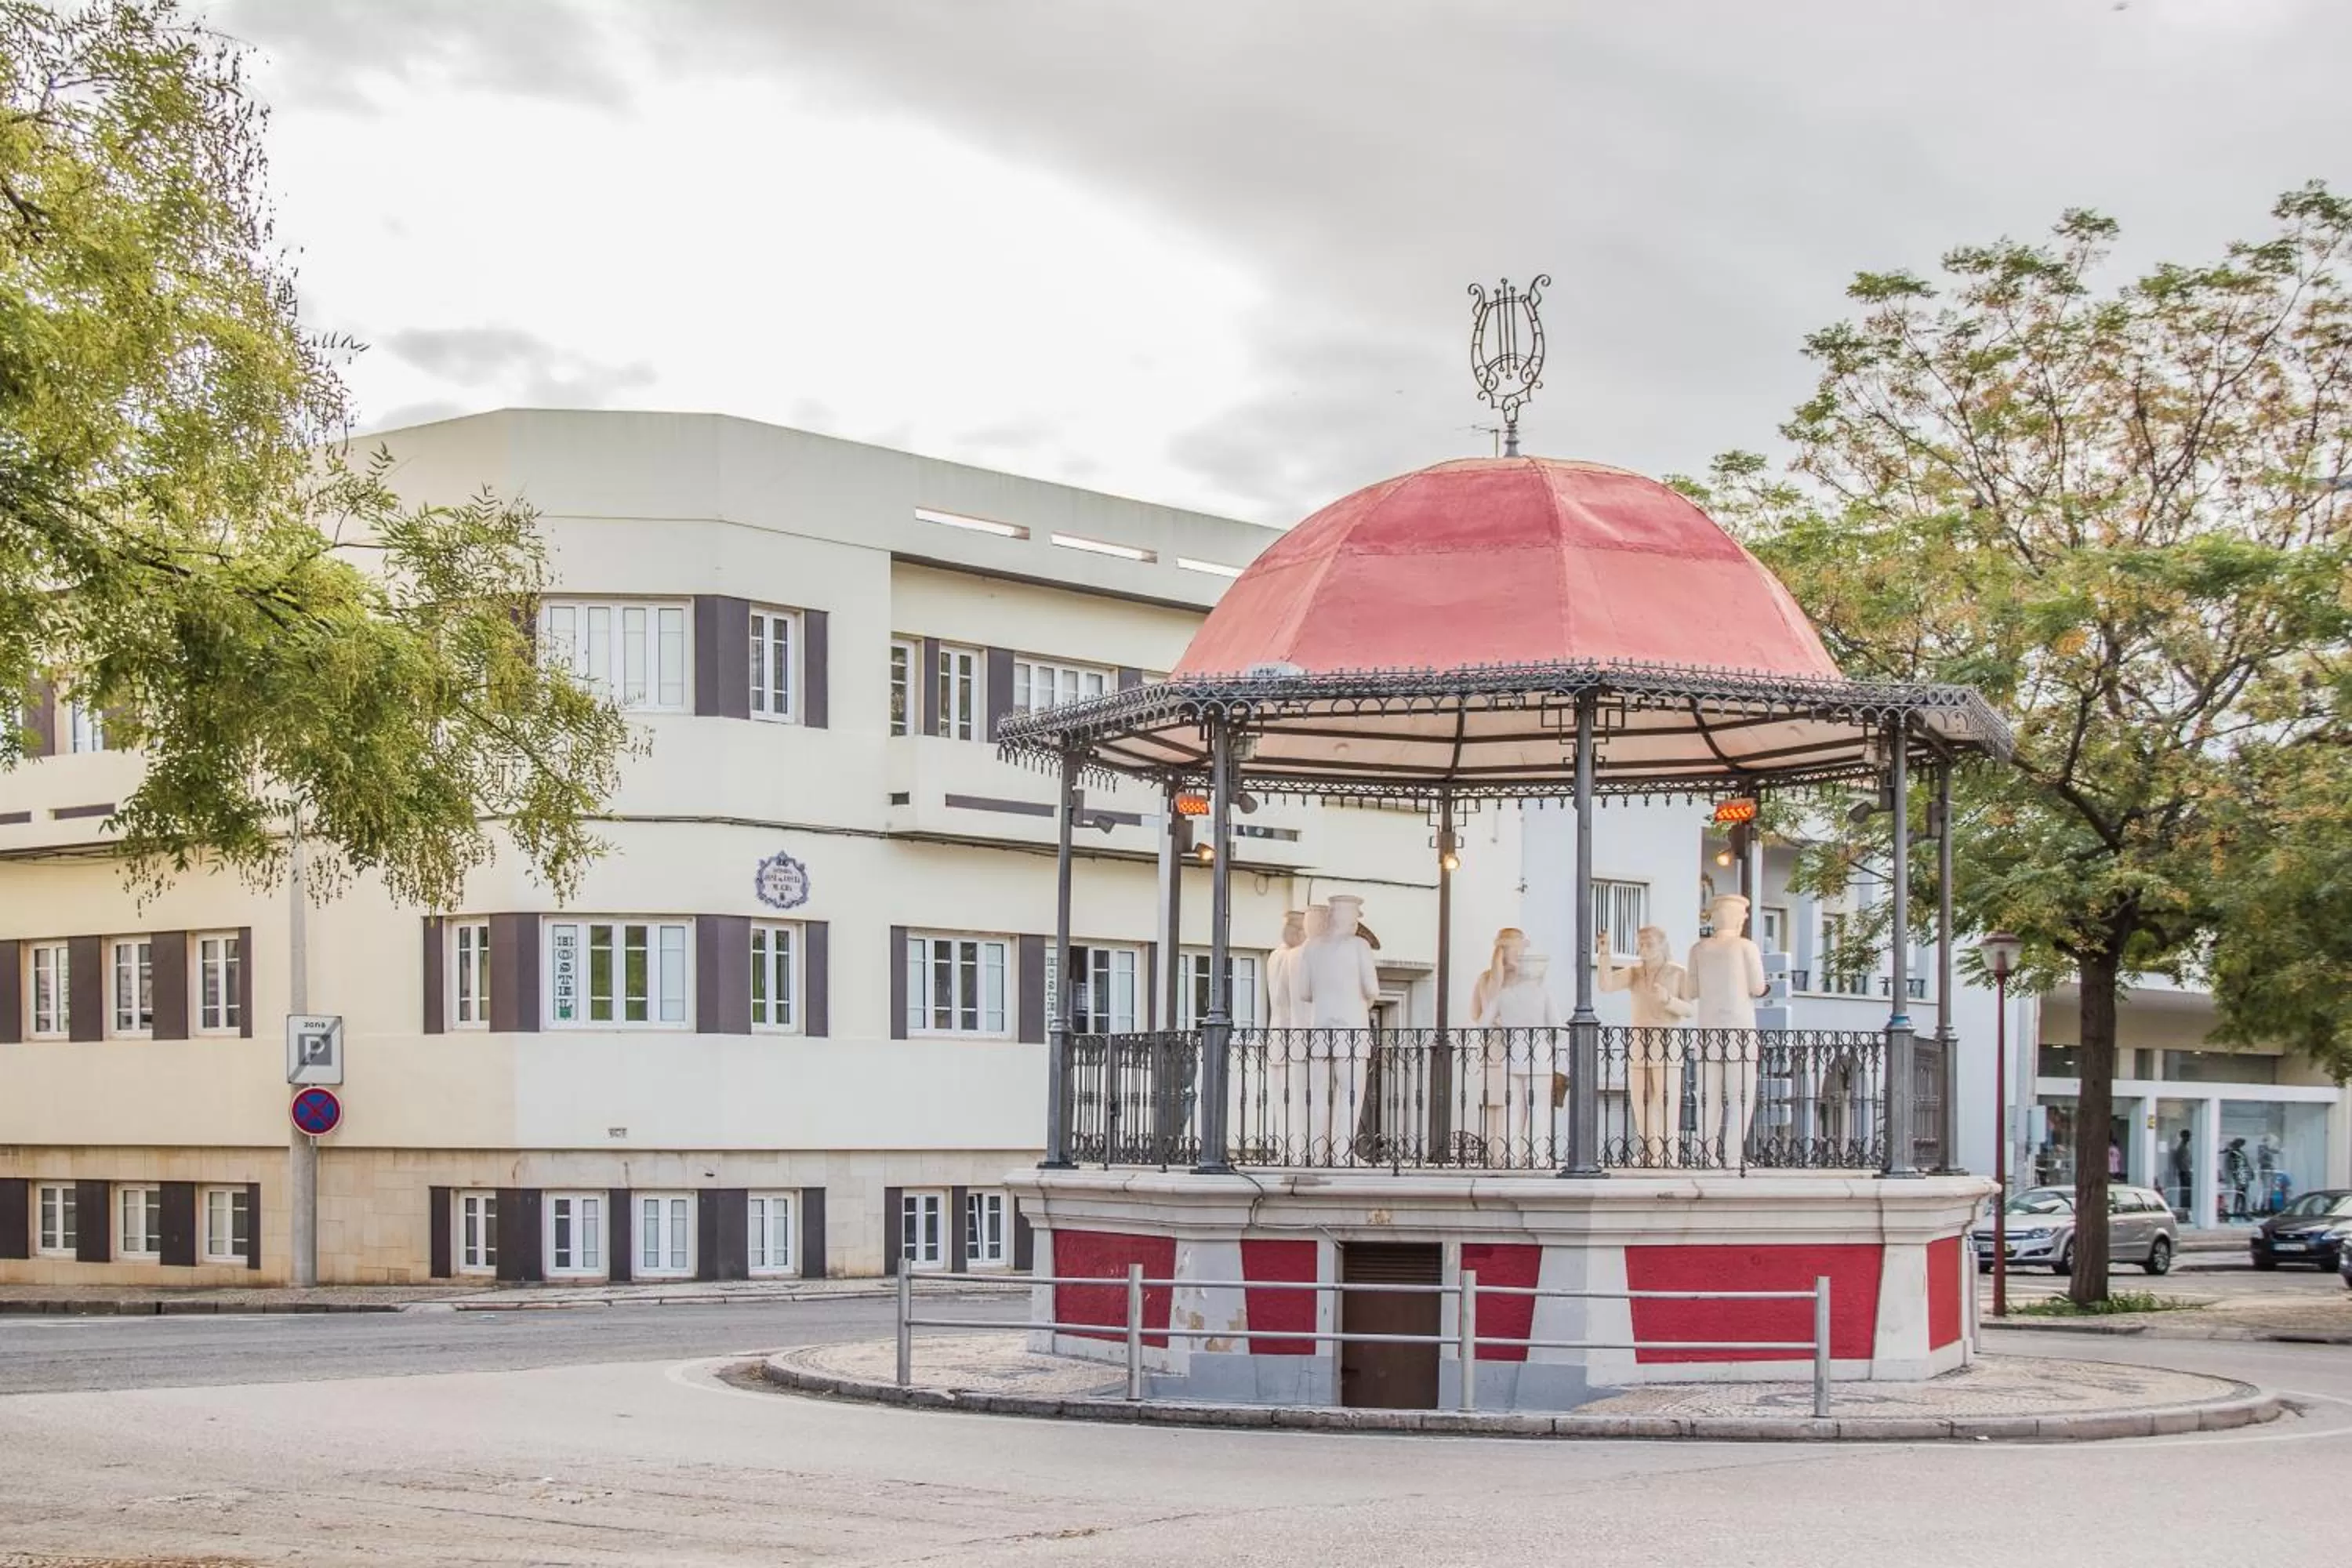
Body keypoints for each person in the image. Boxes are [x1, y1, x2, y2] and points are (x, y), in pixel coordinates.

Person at [1597, 925, 1693, 1162]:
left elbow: (1689, 1009)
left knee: (1666, 1098)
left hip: (1667, 1040)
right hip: (1640, 1040)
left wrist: (1668, 1000)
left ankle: (1668, 1151)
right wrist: (1604, 954)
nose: (1644, 948)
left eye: (1649, 943)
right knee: (1642, 1099)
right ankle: (1650, 1150)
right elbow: (1606, 985)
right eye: (1640, 944)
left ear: (1662, 945)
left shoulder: (1678, 973)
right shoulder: (1634, 972)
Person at [2223, 1137, 2252, 1221]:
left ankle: (2243, 1211)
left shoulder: (2241, 1153)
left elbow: (2246, 1163)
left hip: (2243, 1175)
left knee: (2243, 1194)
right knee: (2238, 1194)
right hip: (2238, 1176)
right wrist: (2234, 1175)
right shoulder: (2232, 1153)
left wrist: (2250, 1172)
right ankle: (2236, 1211)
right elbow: (2231, 1166)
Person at [2169, 1128, 2194, 1217]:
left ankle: (2186, 1213)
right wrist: (2187, 1172)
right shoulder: (2181, 1148)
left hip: (2186, 1173)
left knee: (2187, 1193)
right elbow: (2181, 1163)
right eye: (2188, 1136)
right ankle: (2185, 1213)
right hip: (2184, 1173)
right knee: (2186, 1194)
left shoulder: (2184, 1148)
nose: (2189, 1138)